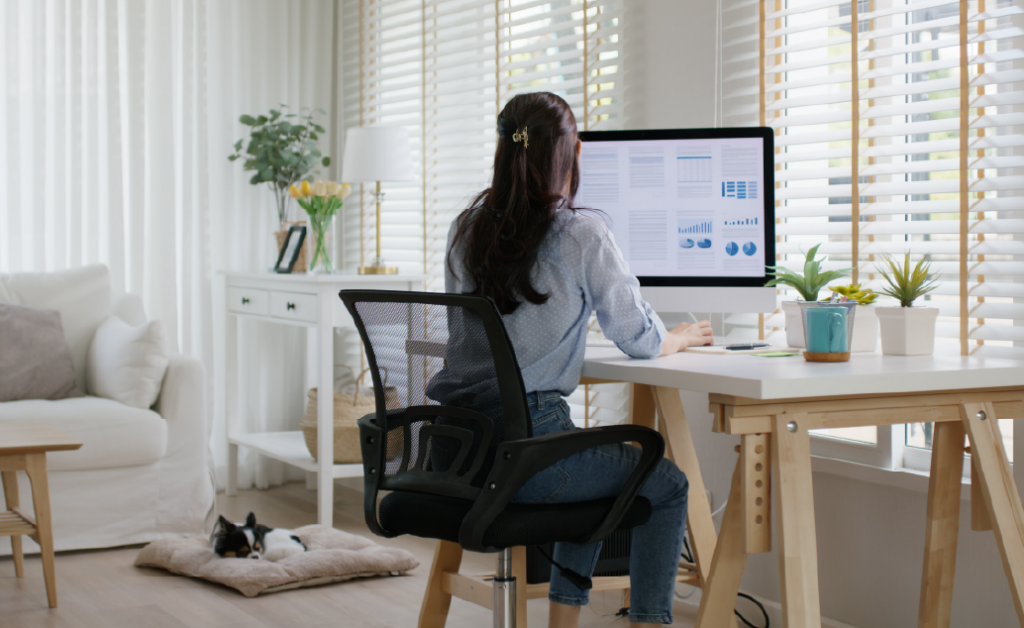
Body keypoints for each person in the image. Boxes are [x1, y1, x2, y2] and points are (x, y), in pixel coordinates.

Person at [444, 91, 713, 627]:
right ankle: (649, 621)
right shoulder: (579, 232)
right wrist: (678, 338)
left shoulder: (465, 229)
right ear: (572, 153)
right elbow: (639, 337)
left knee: (587, 460)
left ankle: (564, 619)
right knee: (666, 483)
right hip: (531, 455)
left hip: (461, 448)